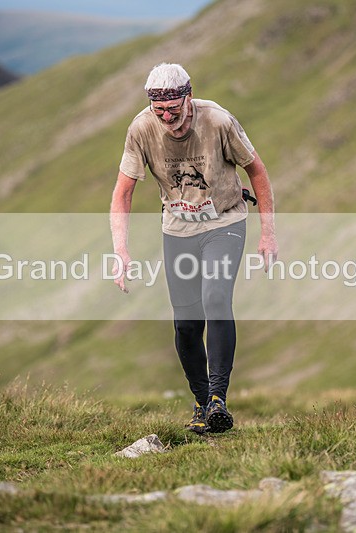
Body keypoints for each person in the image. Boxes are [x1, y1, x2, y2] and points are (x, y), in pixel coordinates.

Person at [109, 63, 277, 434]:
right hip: (178, 228)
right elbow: (123, 192)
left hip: (224, 223)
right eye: (160, 112)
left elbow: (257, 171)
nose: (169, 119)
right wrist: (120, 251)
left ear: (188, 97)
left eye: (175, 110)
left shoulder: (218, 121)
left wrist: (267, 233)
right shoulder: (141, 129)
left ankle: (219, 398)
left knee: (216, 300)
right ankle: (203, 404)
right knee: (186, 324)